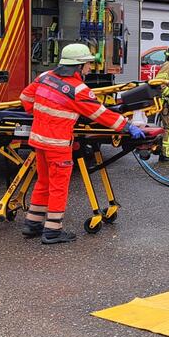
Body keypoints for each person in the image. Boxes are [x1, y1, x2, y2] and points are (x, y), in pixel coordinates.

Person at [19, 43, 145, 244]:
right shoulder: (78, 90)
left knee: (43, 182)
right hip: (58, 145)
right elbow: (100, 114)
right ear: (78, 66)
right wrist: (126, 126)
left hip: (38, 140)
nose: (89, 68)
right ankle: (52, 230)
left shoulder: (45, 77)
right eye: (87, 64)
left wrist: (42, 115)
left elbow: (25, 97)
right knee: (59, 186)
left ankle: (32, 224)